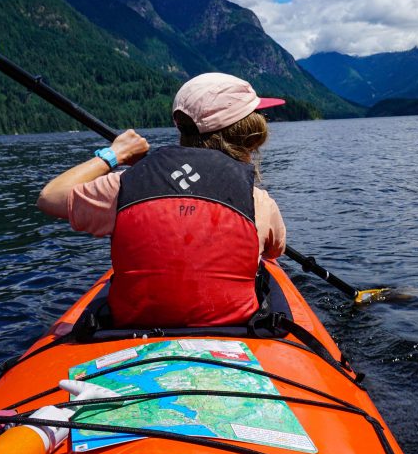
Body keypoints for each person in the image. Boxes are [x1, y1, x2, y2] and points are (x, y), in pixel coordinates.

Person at [36, 72, 287, 329]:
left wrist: (115, 154)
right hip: (234, 331)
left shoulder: (124, 186)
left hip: (131, 332)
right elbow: (274, 251)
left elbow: (49, 197)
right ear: (249, 137)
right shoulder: (257, 200)